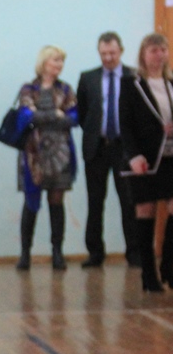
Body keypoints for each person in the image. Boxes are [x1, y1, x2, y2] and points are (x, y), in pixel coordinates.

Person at [77, 32, 140, 268]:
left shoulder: (134, 76)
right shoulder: (88, 78)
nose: (108, 58)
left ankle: (134, 253)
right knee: (95, 202)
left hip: (125, 149)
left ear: (120, 51)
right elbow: (83, 114)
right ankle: (95, 253)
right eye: (103, 53)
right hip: (97, 148)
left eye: (112, 53)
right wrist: (96, 133)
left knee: (129, 202)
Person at [15, 45, 78, 271]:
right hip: (34, 154)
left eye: (61, 61)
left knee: (56, 202)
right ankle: (25, 254)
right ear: (44, 62)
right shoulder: (28, 89)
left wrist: (44, 117)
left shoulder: (66, 89)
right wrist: (55, 114)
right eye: (55, 60)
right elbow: (26, 116)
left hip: (60, 155)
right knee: (30, 203)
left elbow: (74, 117)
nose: (59, 65)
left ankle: (57, 253)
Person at [120, 32, 173, 292]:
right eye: (153, 50)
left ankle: (169, 264)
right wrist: (134, 156)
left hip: (170, 156)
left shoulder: (171, 83)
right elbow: (126, 125)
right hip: (144, 158)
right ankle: (148, 275)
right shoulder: (132, 84)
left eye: (163, 50)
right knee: (146, 211)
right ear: (143, 54)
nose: (159, 55)